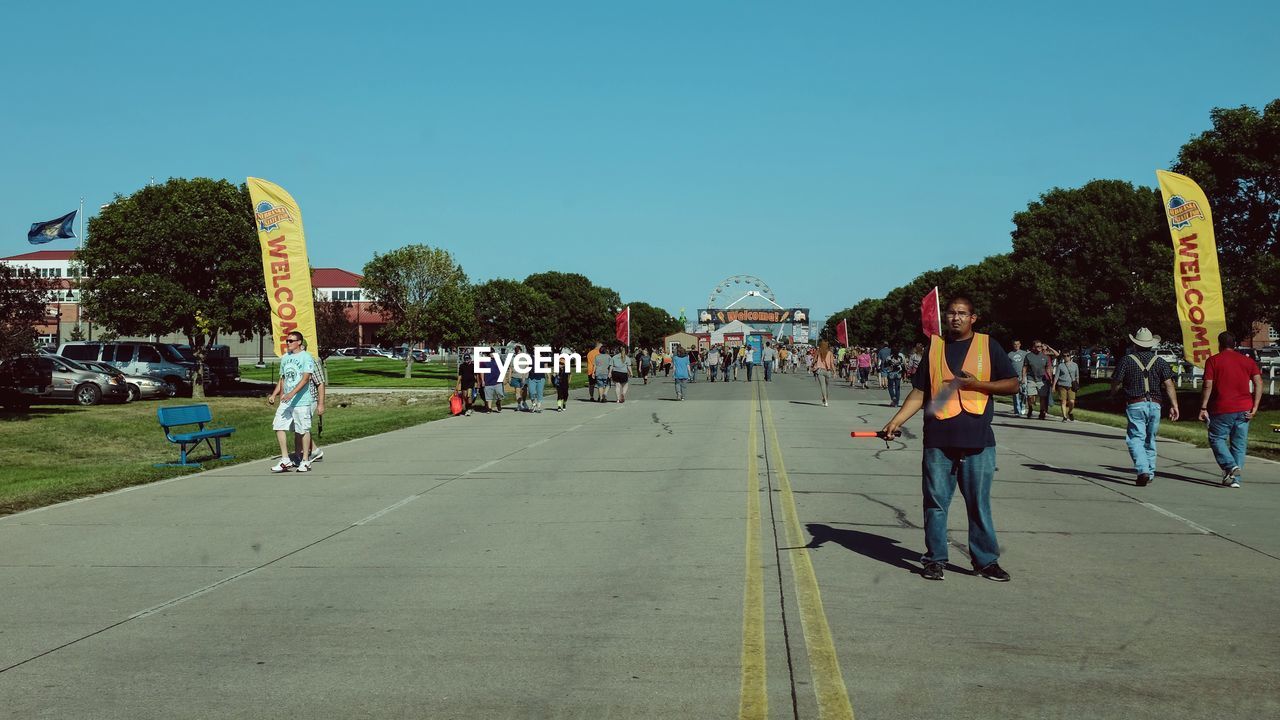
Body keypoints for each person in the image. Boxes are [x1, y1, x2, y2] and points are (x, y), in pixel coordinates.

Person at [882, 297, 1019, 582]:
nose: (955, 318)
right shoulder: (934, 348)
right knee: (935, 503)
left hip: (978, 440)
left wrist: (976, 384)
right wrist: (895, 421)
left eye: (962, 313)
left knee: (979, 504)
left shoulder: (988, 345)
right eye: (951, 313)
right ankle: (935, 559)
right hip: (938, 440)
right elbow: (920, 392)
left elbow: (1012, 384)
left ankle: (985, 561)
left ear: (973, 317)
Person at [1110, 328, 1180, 486]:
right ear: (1151, 345)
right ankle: (1150, 470)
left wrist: (1113, 393)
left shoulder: (1127, 360)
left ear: (1135, 344)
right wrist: (1174, 405)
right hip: (1155, 404)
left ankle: (1143, 470)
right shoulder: (1160, 362)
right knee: (1150, 439)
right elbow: (1169, 384)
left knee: (1135, 438)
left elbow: (1116, 381)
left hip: (1135, 403)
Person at [1199, 331, 1263, 488]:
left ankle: (1229, 465)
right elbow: (1259, 382)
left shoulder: (1213, 360)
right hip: (1244, 408)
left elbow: (1208, 384)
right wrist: (1255, 406)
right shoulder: (1247, 361)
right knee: (1239, 444)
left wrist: (1203, 406)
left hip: (1222, 407)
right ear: (1234, 344)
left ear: (1219, 344)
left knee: (1216, 438)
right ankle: (1235, 479)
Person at [268, 331, 317, 473]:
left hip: (301, 400)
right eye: (287, 341)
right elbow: (282, 379)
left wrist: (292, 393)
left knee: (303, 429)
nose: (288, 343)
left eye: (291, 341)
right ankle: (285, 460)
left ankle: (306, 461)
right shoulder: (284, 358)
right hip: (286, 401)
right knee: (278, 425)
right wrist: (274, 394)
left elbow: (306, 378)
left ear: (299, 342)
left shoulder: (306, 357)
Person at [1020, 340, 1058, 420]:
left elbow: (1048, 368)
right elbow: (1025, 367)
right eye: (1038, 346)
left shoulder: (1045, 356)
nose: (1040, 348)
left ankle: (1042, 412)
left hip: (1042, 379)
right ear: (1033, 347)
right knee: (1030, 396)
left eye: (1040, 346)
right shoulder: (1028, 356)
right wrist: (1023, 377)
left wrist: (1050, 378)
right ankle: (1030, 408)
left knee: (1042, 397)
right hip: (1031, 378)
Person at [1051, 351, 1080, 422]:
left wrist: (1077, 385)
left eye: (1068, 355)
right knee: (1063, 402)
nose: (1066, 357)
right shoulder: (1061, 365)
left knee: (1071, 401)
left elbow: (1077, 376)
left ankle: (1070, 412)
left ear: (1070, 356)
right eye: (1064, 356)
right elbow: (1056, 376)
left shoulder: (1075, 365)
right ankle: (1064, 416)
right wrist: (1054, 386)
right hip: (1062, 385)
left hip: (1071, 386)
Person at [1007, 340, 1028, 417]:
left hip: (1023, 376)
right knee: (1015, 394)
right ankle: (1017, 410)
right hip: (1014, 377)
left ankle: (1023, 406)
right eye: (1015, 344)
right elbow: (1007, 366)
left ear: (1020, 345)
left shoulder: (1024, 353)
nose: (1016, 345)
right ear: (1013, 345)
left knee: (1024, 393)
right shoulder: (1009, 354)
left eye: (1017, 344)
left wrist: (1024, 376)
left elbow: (1027, 364)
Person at [455, 351, 478, 417]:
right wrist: (457, 385)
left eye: (468, 359)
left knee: (469, 395)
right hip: (464, 382)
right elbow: (460, 376)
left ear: (470, 359)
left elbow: (476, 375)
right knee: (464, 396)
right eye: (465, 359)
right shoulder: (462, 366)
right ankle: (468, 406)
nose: (467, 360)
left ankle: (469, 409)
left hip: (471, 382)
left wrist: (477, 382)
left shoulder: (473, 366)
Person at [813, 340, 836, 406]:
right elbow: (832, 363)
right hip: (828, 371)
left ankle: (825, 400)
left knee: (823, 386)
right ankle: (825, 399)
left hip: (820, 370)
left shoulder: (818, 352)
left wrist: (812, 366)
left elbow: (814, 360)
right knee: (827, 386)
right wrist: (834, 372)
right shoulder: (830, 353)